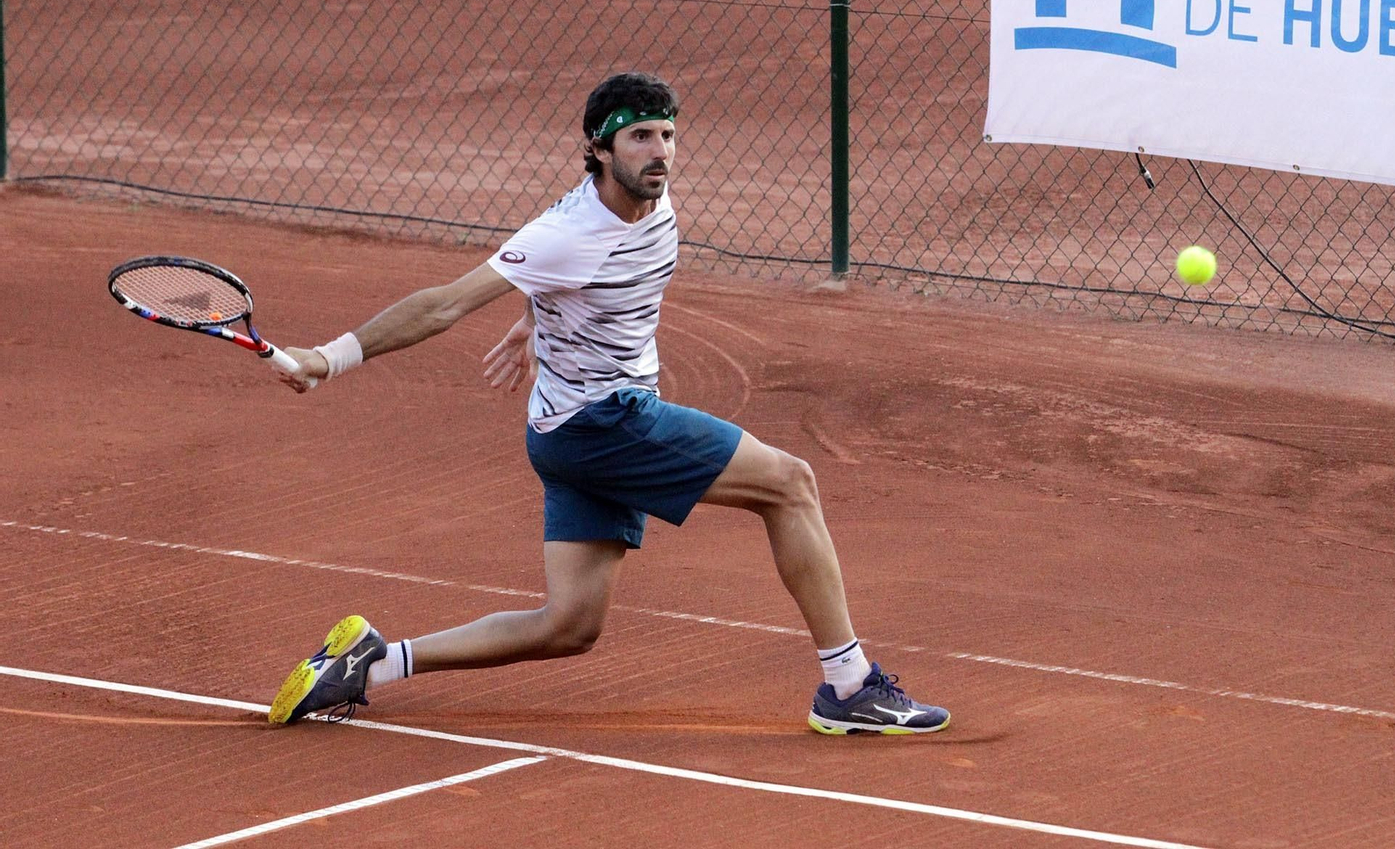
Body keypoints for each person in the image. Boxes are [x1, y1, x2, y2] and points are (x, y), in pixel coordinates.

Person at [267, 72, 949, 735]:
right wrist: (329, 357)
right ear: (598, 148)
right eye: (640, 138)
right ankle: (850, 686)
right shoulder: (566, 233)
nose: (660, 152)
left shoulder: (650, 200)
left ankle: (373, 664)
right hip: (605, 422)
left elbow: (572, 281)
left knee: (569, 626)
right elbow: (443, 304)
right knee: (790, 484)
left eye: (667, 135)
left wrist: (537, 318)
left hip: (564, 432)